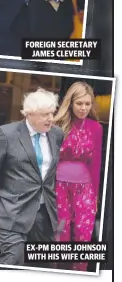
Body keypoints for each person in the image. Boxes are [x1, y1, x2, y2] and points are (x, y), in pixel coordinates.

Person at [0, 88, 64, 266]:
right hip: (13, 212)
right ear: (30, 114)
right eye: (45, 114)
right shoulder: (6, 134)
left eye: (52, 113)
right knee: (12, 261)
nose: (50, 118)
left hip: (45, 214)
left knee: (45, 266)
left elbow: (52, 175)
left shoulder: (56, 134)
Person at [53, 82, 103, 271]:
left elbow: (96, 163)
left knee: (84, 235)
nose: (83, 108)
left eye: (87, 104)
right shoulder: (57, 125)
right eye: (79, 103)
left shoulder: (96, 128)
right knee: (60, 235)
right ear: (70, 102)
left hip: (86, 189)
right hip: (58, 187)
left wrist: (96, 194)